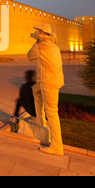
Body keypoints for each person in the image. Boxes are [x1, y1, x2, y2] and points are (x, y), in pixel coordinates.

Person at [27, 23, 65, 156]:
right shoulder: (54, 46)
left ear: (42, 33)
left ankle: (57, 146)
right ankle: (39, 119)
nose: (35, 32)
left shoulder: (40, 46)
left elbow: (29, 56)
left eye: (37, 31)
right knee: (35, 90)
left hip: (48, 82)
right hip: (54, 80)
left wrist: (36, 41)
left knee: (52, 113)